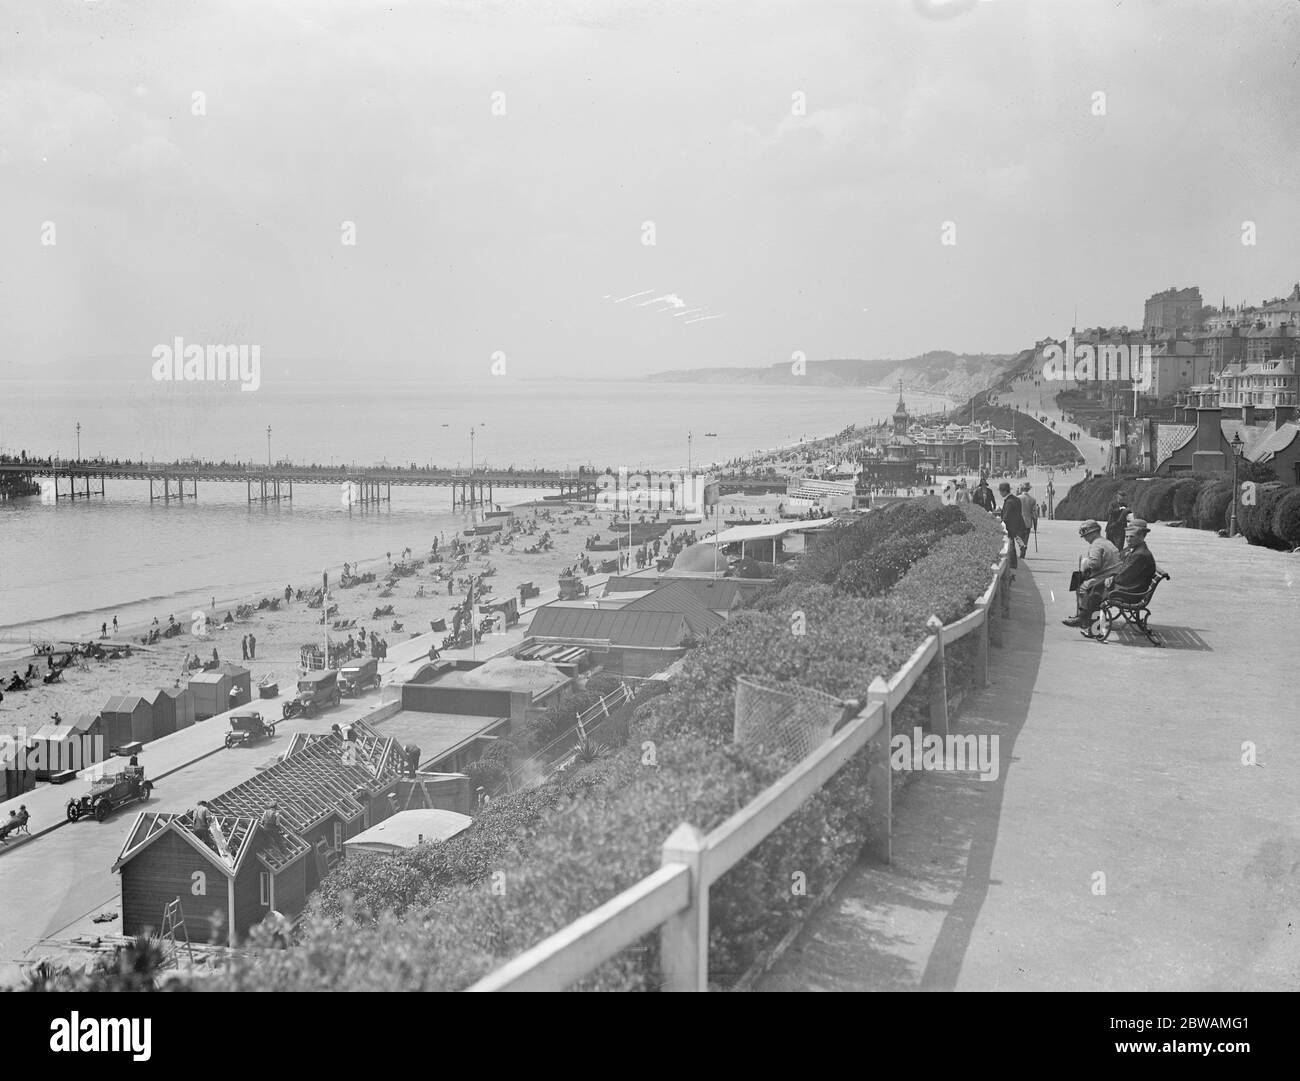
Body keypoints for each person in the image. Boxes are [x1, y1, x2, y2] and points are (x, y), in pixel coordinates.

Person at [997, 482, 1030, 563]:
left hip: (1011, 525)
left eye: (1001, 491)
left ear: (1004, 491)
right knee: (1015, 541)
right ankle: (1021, 547)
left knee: (1011, 544)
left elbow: (1007, 516)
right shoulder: (1016, 499)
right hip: (1018, 523)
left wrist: (1000, 521)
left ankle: (1013, 562)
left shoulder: (1009, 502)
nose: (1000, 493)